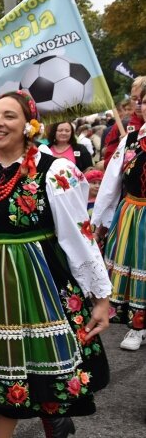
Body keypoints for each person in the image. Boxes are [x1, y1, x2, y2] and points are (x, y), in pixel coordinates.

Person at [0, 90, 112, 438]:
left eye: (9, 116)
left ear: (30, 124)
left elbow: (78, 237)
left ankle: (53, 417)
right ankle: (51, 421)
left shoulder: (55, 171)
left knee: (27, 373)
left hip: (33, 286)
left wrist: (101, 297)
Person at [91, 110, 146, 351]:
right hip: (134, 213)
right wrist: (98, 221)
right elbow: (110, 183)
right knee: (138, 267)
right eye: (145, 101)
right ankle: (137, 325)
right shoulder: (130, 140)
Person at [103, 77, 144, 165]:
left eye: (143, 99)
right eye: (134, 98)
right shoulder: (122, 126)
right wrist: (121, 148)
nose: (138, 103)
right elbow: (107, 164)